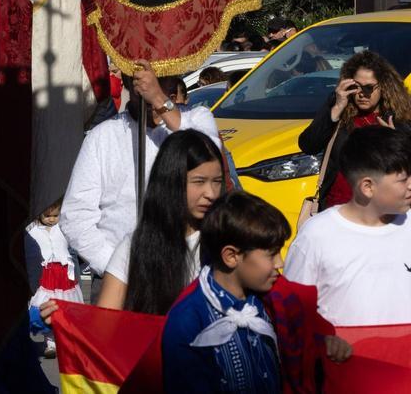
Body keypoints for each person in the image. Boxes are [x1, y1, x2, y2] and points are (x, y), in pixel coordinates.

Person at [59, 61, 221, 296]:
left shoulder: (197, 118)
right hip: (119, 279)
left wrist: (159, 100)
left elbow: (208, 154)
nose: (149, 85)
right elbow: (75, 216)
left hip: (189, 275)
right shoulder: (103, 136)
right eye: (141, 79)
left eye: (162, 79)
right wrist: (120, 269)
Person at [160, 192, 289, 394]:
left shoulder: (272, 301)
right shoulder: (189, 321)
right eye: (272, 254)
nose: (280, 263)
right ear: (231, 256)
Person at [284, 125, 411, 326]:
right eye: (404, 180)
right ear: (367, 187)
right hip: (346, 355)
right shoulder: (317, 236)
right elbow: (292, 311)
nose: (410, 186)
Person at [98, 130, 226, 313]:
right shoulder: (134, 247)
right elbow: (103, 324)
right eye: (199, 182)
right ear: (171, 181)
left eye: (217, 181)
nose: (211, 193)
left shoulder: (228, 240)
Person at [298, 50, 411, 210]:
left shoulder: (399, 119)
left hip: (381, 212)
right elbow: (308, 145)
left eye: (368, 88)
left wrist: (397, 143)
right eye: (355, 87)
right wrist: (336, 108)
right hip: (337, 209)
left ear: (383, 87)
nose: (361, 94)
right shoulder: (340, 112)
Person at [25, 200, 80, 357]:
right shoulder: (32, 229)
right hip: (45, 275)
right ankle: (50, 342)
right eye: (47, 216)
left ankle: (66, 341)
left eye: (55, 216)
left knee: (65, 308)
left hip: (64, 276)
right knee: (46, 308)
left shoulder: (63, 228)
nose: (51, 219)